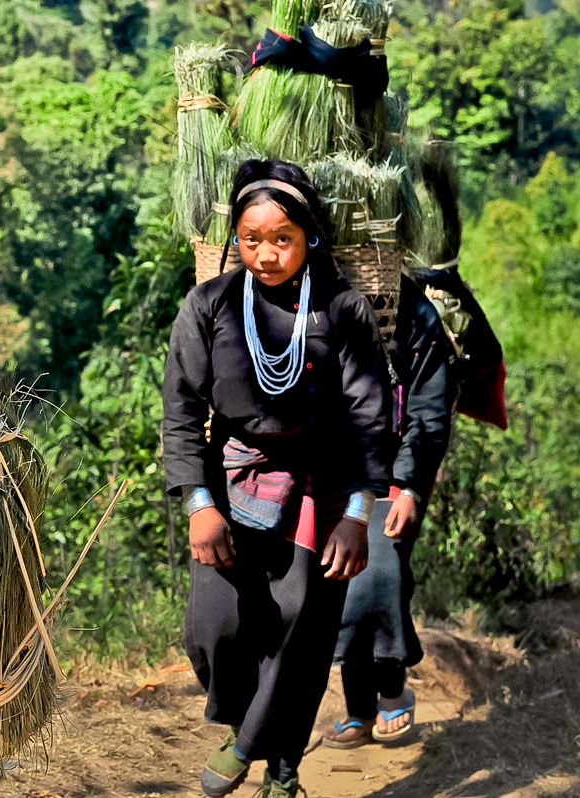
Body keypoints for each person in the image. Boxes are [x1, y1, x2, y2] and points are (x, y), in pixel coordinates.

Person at [162, 159, 392, 798]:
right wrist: (198, 505)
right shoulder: (208, 305)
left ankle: (272, 762)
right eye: (250, 239)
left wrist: (356, 515)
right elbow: (180, 407)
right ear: (234, 238)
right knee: (213, 632)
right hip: (229, 484)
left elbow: (370, 415)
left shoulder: (343, 309)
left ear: (309, 236)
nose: (265, 254)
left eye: (281, 238)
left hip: (318, 484)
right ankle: (254, 732)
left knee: (299, 629)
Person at [323, 274, 453, 748]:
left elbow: (429, 413)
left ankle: (393, 690)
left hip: (396, 474)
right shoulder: (305, 300)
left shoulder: (413, 316)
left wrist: (411, 487)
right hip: (327, 475)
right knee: (340, 581)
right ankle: (358, 708)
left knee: (376, 572)